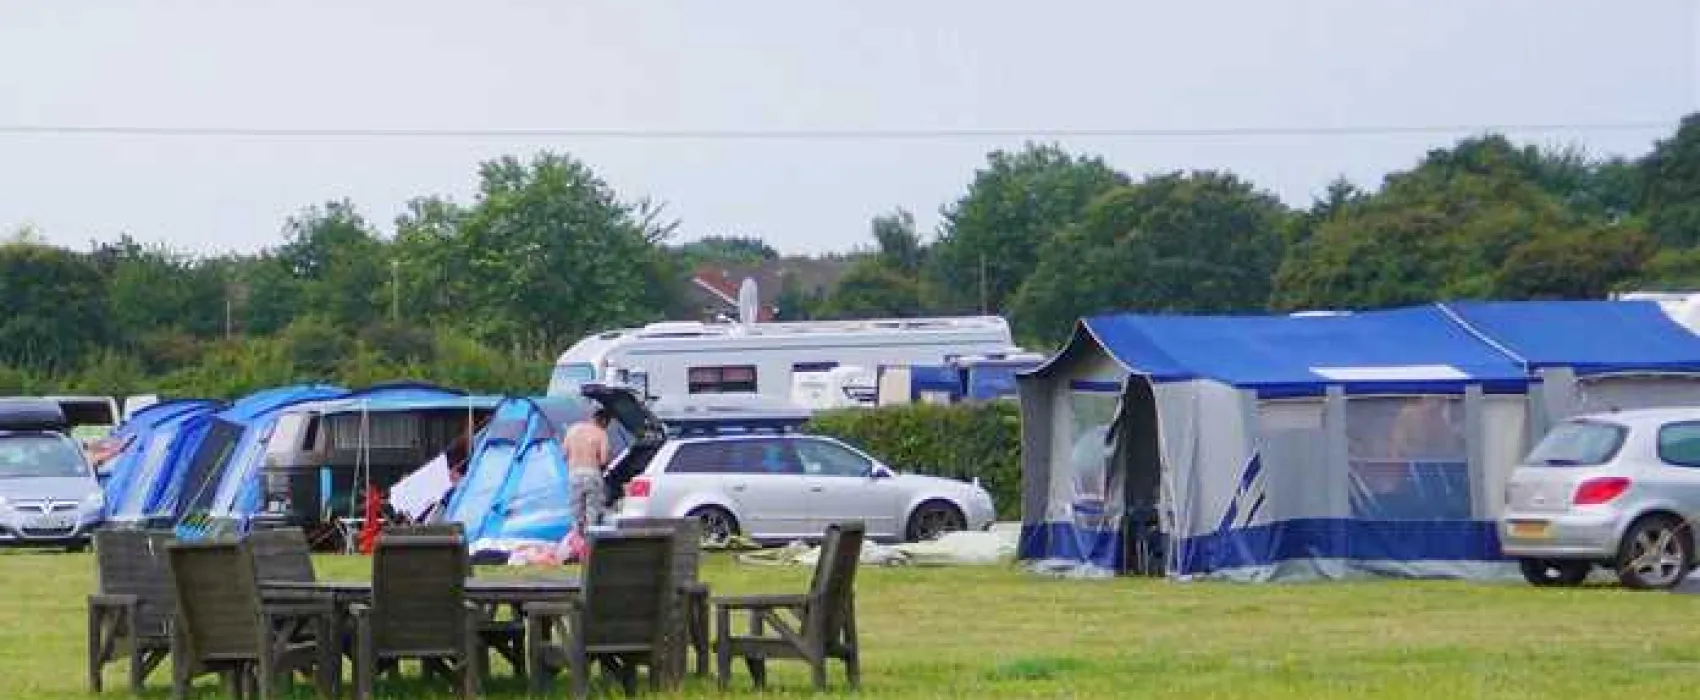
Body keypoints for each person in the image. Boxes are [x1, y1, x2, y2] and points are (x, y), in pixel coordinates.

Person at [563, 407, 613, 534]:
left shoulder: (572, 430)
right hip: (592, 473)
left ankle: (576, 544)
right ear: (604, 421)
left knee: (576, 515)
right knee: (592, 515)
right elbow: (603, 460)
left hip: (573, 474)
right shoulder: (601, 433)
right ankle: (590, 546)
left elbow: (564, 454)